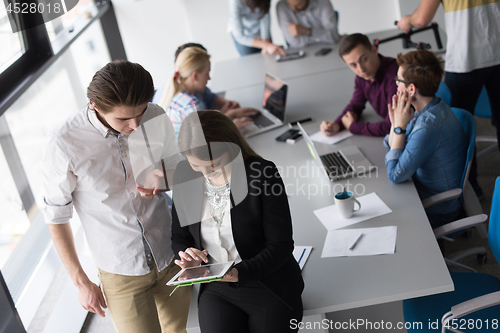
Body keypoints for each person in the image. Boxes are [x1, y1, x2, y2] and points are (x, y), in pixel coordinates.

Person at [42, 60, 191, 333]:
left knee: (180, 330)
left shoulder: (155, 116)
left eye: (141, 112)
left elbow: (176, 170)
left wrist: (161, 181)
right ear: (95, 107)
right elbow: (56, 216)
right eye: (123, 119)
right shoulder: (65, 143)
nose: (135, 124)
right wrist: (81, 282)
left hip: (169, 252)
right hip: (120, 269)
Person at [170, 111, 304, 332]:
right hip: (216, 288)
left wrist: (241, 273)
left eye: (213, 164)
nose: (205, 174)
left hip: (267, 282)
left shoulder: (262, 173)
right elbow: (179, 237)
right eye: (196, 165)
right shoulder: (185, 177)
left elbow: (281, 245)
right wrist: (187, 255)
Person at [396, 0, 500, 199]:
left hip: (467, 57)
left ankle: (471, 192)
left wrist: (407, 20)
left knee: (459, 130)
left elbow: (421, 19)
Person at [384, 50, 468, 227]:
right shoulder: (434, 105)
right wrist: (396, 123)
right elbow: (389, 143)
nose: (396, 86)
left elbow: (395, 175)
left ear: (411, 89)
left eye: (398, 81)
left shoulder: (428, 127)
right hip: (423, 189)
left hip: (439, 208)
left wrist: (398, 128)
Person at [158, 47, 260, 137]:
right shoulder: (192, 104)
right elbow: (210, 143)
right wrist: (233, 127)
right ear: (195, 76)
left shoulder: (174, 93)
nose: (209, 78)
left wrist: (230, 114)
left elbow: (205, 129)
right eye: (207, 73)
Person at [320, 33, 398, 137]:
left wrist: (353, 126)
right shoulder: (362, 77)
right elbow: (356, 105)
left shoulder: (396, 78)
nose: (361, 69)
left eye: (364, 59)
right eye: (353, 65)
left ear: (374, 50)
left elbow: (392, 126)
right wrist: (337, 124)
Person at [276, 0, 341, 48]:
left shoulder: (323, 2)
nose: (294, 9)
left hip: (330, 49)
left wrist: (307, 31)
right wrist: (323, 36)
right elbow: (295, 43)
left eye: (298, 5)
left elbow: (333, 36)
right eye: (290, 5)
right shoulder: (282, 6)